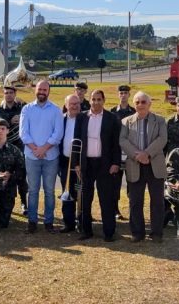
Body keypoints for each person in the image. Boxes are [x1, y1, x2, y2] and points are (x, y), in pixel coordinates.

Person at [120, 91, 168, 242]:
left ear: (149, 104)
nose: (140, 105)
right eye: (137, 102)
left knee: (157, 201)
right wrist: (137, 155)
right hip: (135, 165)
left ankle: (157, 233)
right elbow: (123, 140)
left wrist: (147, 154)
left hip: (154, 164)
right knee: (135, 201)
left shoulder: (159, 120)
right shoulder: (126, 121)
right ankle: (137, 232)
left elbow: (162, 139)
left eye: (143, 102)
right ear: (134, 104)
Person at [75, 89, 121, 241]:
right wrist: (77, 164)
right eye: (93, 99)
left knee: (106, 199)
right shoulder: (81, 117)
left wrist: (115, 163)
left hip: (105, 164)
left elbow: (116, 144)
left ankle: (109, 232)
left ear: (104, 100)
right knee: (85, 198)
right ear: (89, 101)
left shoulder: (112, 118)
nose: (96, 102)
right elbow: (77, 142)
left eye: (99, 99)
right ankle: (86, 230)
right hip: (86, 164)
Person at [19, 80, 64, 233]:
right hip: (31, 157)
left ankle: (49, 222)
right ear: (35, 90)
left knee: (49, 191)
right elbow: (23, 133)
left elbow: (58, 133)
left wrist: (44, 148)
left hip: (51, 157)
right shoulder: (27, 109)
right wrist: (35, 149)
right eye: (40, 89)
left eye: (45, 89)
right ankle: (32, 222)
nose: (42, 92)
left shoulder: (56, 110)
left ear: (49, 91)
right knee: (33, 190)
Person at [0, 85, 28, 213]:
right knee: (2, 175)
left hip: (19, 146)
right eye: (6, 93)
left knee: (21, 175)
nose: (8, 95)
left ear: (15, 94)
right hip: (4, 147)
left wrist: (21, 120)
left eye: (11, 92)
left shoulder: (23, 108)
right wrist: (9, 122)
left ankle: (24, 203)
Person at [58, 94, 84, 233]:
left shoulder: (85, 119)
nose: (74, 106)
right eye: (71, 104)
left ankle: (82, 221)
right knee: (67, 192)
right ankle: (68, 223)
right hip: (65, 162)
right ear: (66, 105)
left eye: (77, 103)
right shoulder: (60, 119)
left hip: (81, 163)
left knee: (81, 192)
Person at [109, 85, 134, 220]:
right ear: (118, 95)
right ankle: (115, 210)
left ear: (129, 95)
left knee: (132, 184)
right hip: (117, 154)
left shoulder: (134, 112)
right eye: (121, 93)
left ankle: (132, 210)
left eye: (125, 93)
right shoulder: (112, 112)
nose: (123, 95)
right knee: (115, 185)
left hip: (130, 154)